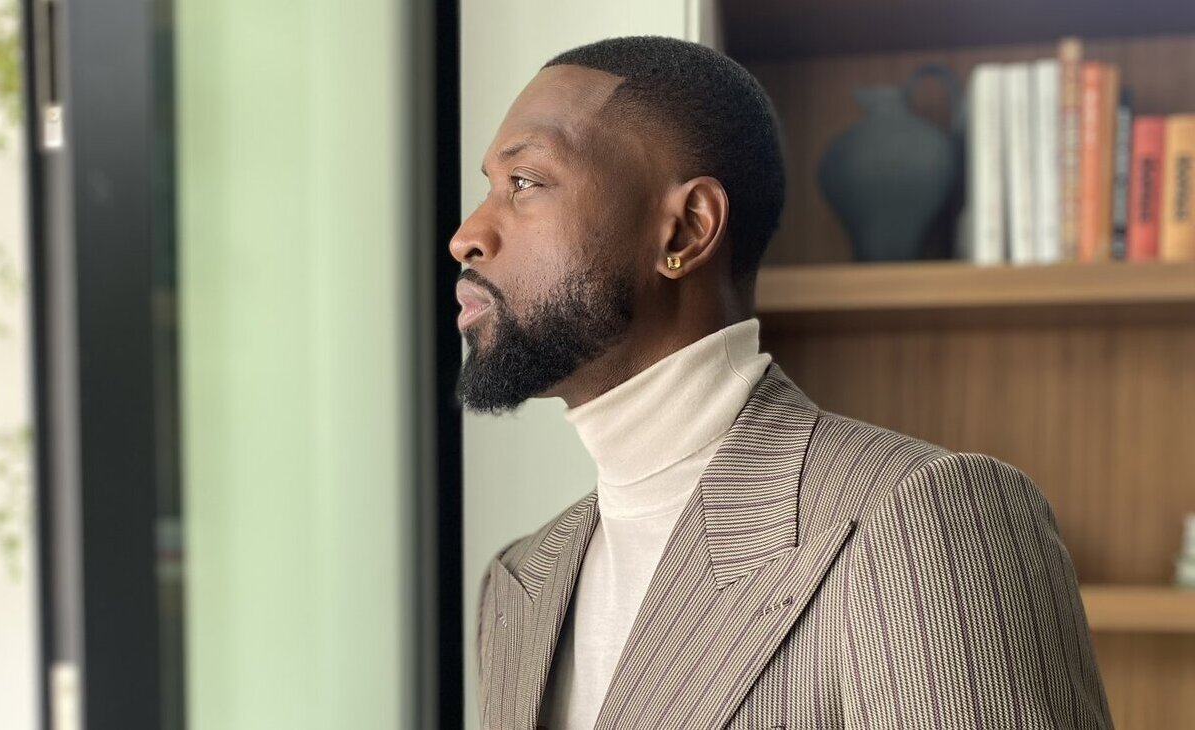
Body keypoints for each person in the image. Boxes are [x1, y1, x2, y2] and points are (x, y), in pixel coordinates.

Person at [451, 35, 1111, 730]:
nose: (468, 235)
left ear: (686, 229)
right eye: (488, 188)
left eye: (525, 183)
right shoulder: (520, 584)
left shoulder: (919, 520)